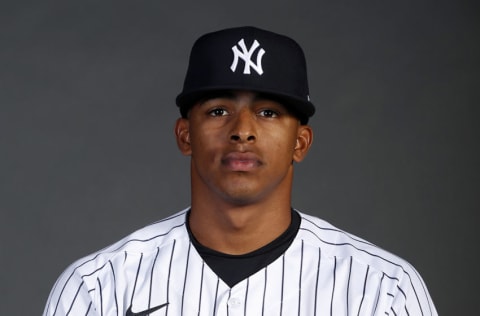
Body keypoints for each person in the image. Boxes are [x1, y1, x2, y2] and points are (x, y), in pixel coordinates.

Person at [43, 26, 437, 316]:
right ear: (185, 136)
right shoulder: (98, 288)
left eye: (268, 112)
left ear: (300, 143)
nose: (242, 130)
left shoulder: (382, 290)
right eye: (218, 110)